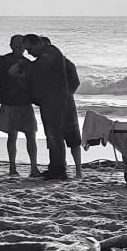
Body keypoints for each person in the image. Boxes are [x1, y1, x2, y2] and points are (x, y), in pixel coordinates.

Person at [19, 33, 69, 180]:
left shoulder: (51, 52)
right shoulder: (44, 55)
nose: (29, 53)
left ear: (37, 43)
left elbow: (40, 68)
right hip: (48, 99)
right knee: (51, 134)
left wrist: (21, 65)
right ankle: (54, 167)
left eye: (29, 49)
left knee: (54, 134)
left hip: (55, 99)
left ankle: (59, 170)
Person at [0, 34, 40, 177]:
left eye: (22, 46)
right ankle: (12, 167)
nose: (19, 49)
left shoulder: (28, 63)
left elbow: (33, 82)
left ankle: (34, 167)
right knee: (12, 135)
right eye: (17, 46)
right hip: (10, 102)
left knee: (31, 134)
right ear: (11, 46)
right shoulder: (2, 61)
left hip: (25, 102)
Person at [42, 36, 83, 180]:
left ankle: (78, 170)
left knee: (73, 139)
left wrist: (65, 95)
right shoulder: (43, 64)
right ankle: (57, 167)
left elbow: (75, 83)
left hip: (66, 104)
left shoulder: (66, 63)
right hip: (53, 104)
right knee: (53, 139)